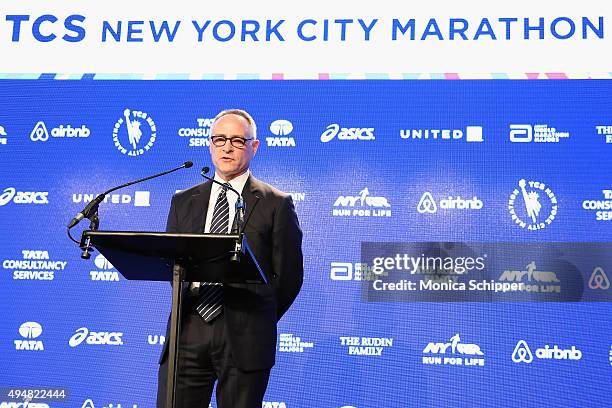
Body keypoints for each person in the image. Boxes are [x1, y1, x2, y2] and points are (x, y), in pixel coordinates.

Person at [157, 109, 304, 408]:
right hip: (188, 329)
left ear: (254, 146)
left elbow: (288, 278)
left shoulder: (276, 203)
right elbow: (173, 265)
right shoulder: (183, 201)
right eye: (220, 139)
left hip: (245, 334)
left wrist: (256, 318)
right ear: (210, 145)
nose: (227, 147)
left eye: (237, 140)